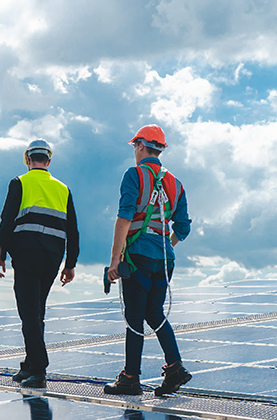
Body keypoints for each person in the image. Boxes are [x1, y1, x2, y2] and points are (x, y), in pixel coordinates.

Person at [104, 124, 192, 396]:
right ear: (160, 149)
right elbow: (184, 227)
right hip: (165, 260)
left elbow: (125, 217)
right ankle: (175, 367)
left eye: (135, 146)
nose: (134, 151)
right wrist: (165, 245)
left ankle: (130, 378)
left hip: (138, 256)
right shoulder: (175, 183)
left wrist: (115, 260)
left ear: (141, 145)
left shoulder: (134, 175)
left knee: (134, 318)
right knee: (154, 313)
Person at [0, 139, 79, 389]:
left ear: (28, 160)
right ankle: (30, 365)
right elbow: (73, 229)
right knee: (36, 311)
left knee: (29, 312)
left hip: (26, 255)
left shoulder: (19, 182)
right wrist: (70, 263)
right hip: (53, 257)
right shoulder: (63, 189)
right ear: (48, 161)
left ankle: (38, 369)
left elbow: (7, 219)